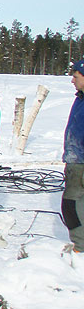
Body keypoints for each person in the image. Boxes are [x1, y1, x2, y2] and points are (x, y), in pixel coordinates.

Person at [62, 58, 84, 253]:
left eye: (75, 76)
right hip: (75, 160)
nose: (72, 80)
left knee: (72, 205)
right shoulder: (80, 99)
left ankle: (80, 247)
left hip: (80, 162)